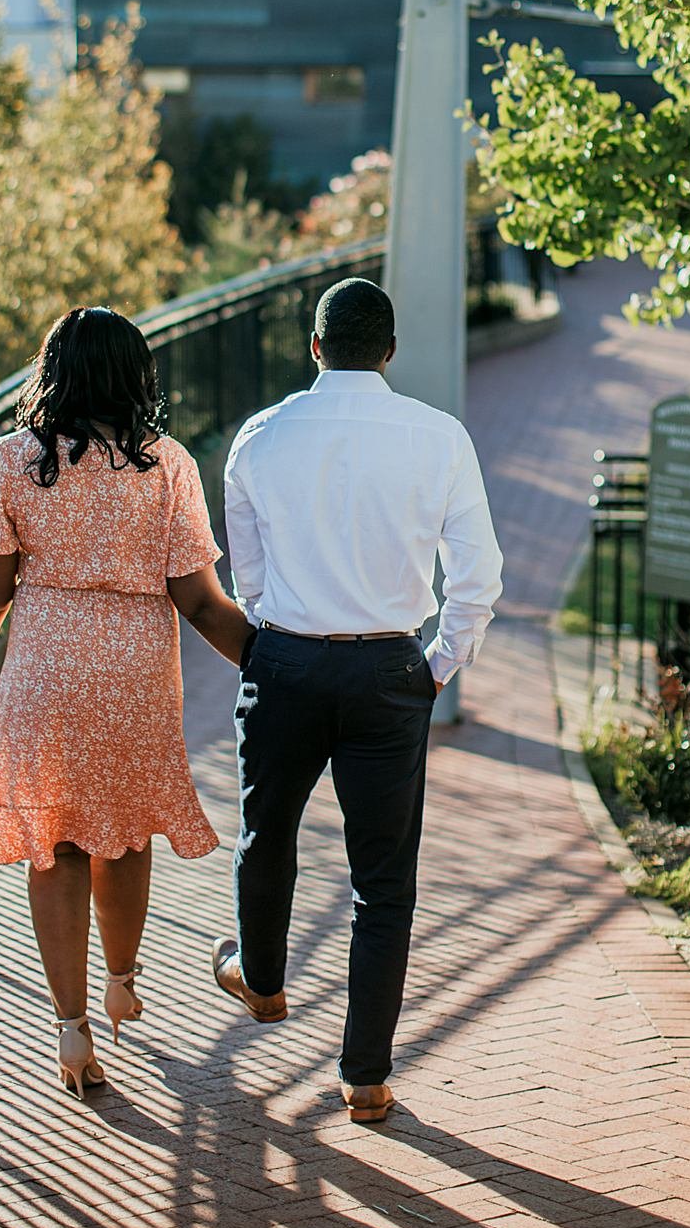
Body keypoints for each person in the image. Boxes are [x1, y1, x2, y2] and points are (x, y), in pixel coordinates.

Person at [0, 306, 255, 1097]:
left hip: (45, 667)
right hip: (134, 674)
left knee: (55, 848)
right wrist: (272, 662)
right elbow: (200, 600)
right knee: (124, 833)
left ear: (52, 373)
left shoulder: (10, 462)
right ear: (134, 376)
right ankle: (123, 976)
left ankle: (71, 1028)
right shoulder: (167, 466)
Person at [212, 276, 503, 1124]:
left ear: (313, 347)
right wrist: (438, 664)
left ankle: (261, 980)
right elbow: (475, 576)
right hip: (388, 673)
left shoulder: (258, 438)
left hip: (288, 666)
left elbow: (250, 577)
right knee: (383, 879)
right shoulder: (438, 436)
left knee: (266, 831)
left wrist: (277, 636)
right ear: (388, 353)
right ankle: (365, 1074)